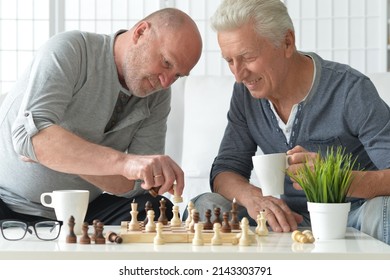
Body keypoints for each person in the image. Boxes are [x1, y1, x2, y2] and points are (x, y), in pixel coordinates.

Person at [191, 0, 390, 244]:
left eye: (247, 57)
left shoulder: (350, 90)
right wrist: (253, 197)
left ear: (287, 42)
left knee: (385, 210)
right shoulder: (245, 94)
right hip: (283, 222)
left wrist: (334, 177)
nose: (238, 74)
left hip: (350, 218)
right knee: (205, 205)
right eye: (229, 61)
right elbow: (226, 170)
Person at [0, 8, 202, 225]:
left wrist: (60, 154)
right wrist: (123, 163)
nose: (166, 82)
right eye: (166, 63)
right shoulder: (72, 50)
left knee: (157, 211)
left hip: (82, 211)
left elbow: (134, 185)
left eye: (177, 75)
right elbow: (29, 137)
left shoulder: (158, 95)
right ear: (140, 32)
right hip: (7, 202)